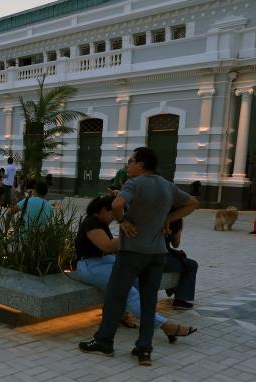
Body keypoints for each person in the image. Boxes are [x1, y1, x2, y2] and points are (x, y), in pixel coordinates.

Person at [78, 147, 199, 366]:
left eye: (131, 161)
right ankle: (144, 349)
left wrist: (122, 221)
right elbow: (192, 203)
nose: (128, 165)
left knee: (115, 297)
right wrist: (168, 219)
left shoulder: (134, 183)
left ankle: (104, 342)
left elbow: (116, 205)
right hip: (157, 254)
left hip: (132, 252)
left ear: (141, 164)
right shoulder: (167, 185)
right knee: (148, 300)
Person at [75, 195, 197, 343]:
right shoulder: (91, 223)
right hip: (89, 265)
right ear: (102, 210)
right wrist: (133, 238)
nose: (114, 218)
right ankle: (167, 326)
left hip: (103, 261)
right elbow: (106, 246)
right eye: (112, 214)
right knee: (129, 292)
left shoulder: (100, 222)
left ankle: (122, 315)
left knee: (137, 279)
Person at [162, 213, 198, 309]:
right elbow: (176, 244)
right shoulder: (175, 220)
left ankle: (173, 290)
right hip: (162, 258)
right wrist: (178, 230)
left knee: (181, 261)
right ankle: (181, 299)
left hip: (146, 254)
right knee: (191, 265)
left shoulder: (154, 214)